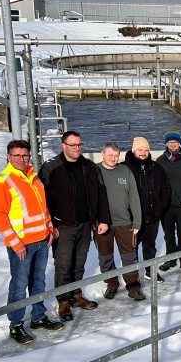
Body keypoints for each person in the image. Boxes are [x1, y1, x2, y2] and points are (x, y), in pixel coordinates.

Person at [0, 139, 63, 344]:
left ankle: (38, 316)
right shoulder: (3, 181)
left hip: (41, 240)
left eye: (25, 155)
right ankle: (15, 323)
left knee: (38, 281)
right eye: (17, 156)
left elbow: (42, 208)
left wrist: (49, 228)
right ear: (9, 157)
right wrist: (15, 243)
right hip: (22, 245)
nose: (22, 159)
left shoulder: (33, 177)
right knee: (19, 284)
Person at [39, 131, 110, 322]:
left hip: (85, 224)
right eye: (73, 145)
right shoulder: (51, 167)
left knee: (79, 263)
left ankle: (75, 294)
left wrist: (102, 219)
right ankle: (63, 301)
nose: (77, 148)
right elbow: (42, 200)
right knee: (63, 265)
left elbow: (100, 194)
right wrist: (51, 225)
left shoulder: (88, 166)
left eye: (79, 145)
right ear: (63, 145)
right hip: (62, 226)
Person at [95, 142, 144, 301]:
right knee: (105, 257)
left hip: (124, 222)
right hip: (103, 224)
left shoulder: (125, 171)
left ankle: (133, 286)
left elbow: (134, 198)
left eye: (116, 155)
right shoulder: (94, 171)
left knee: (129, 256)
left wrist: (137, 222)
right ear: (103, 154)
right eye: (110, 155)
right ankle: (111, 283)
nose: (113, 158)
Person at [124, 137, 171, 283]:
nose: (143, 153)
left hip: (152, 216)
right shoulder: (125, 168)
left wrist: (160, 206)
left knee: (150, 247)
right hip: (134, 219)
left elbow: (166, 188)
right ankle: (133, 277)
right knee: (132, 249)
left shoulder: (156, 168)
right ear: (134, 151)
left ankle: (150, 271)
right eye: (140, 150)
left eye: (145, 150)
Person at [157, 132, 181, 272]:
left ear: (179, 143)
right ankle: (171, 259)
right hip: (166, 207)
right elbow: (156, 184)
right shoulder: (160, 161)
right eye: (170, 142)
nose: (173, 144)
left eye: (175, 142)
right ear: (166, 144)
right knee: (168, 235)